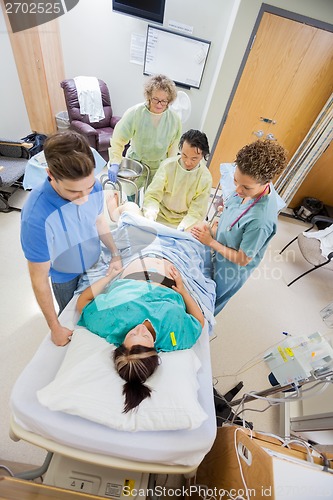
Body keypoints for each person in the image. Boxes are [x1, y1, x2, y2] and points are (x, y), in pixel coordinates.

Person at [21, 130, 122, 347]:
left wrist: (114, 253)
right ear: (50, 174)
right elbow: (39, 281)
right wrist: (55, 327)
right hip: (64, 276)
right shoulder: (36, 217)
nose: (84, 198)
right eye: (74, 192)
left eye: (87, 188)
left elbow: (99, 221)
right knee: (73, 317)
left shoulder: (93, 185)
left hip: (94, 260)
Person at [76, 256, 205, 413]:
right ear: (154, 350)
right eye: (145, 337)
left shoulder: (109, 324)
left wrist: (109, 277)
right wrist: (183, 291)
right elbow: (199, 321)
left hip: (137, 261)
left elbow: (83, 301)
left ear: (122, 344)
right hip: (174, 268)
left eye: (131, 335)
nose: (140, 329)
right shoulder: (173, 338)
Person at [191, 139, 288, 316]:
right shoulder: (247, 185)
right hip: (219, 245)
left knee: (208, 303)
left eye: (246, 187)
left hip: (231, 269)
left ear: (265, 183)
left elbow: (243, 259)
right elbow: (234, 209)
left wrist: (211, 242)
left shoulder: (261, 220)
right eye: (236, 181)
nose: (237, 190)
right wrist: (218, 222)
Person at [108, 74, 182, 186]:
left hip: (159, 167)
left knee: (151, 198)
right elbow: (119, 139)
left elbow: (173, 147)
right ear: (148, 96)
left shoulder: (174, 119)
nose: (159, 104)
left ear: (169, 100)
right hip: (135, 164)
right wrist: (115, 161)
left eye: (163, 101)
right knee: (131, 196)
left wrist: (170, 169)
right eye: (155, 99)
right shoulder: (135, 113)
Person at [142, 129, 212, 230]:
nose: (188, 162)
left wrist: (182, 228)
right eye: (184, 155)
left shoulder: (205, 178)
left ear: (202, 156)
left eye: (194, 159)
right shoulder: (168, 166)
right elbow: (152, 196)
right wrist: (150, 216)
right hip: (159, 216)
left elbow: (196, 212)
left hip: (185, 222)